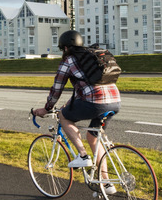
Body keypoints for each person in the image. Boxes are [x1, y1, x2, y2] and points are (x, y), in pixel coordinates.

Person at [32, 30, 121, 172]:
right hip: (115, 101)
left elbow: (57, 89)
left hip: (95, 102)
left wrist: (47, 108)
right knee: (93, 137)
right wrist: (69, 103)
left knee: (63, 116)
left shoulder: (69, 61)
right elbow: (84, 87)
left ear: (66, 48)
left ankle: (83, 156)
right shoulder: (91, 57)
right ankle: (106, 183)